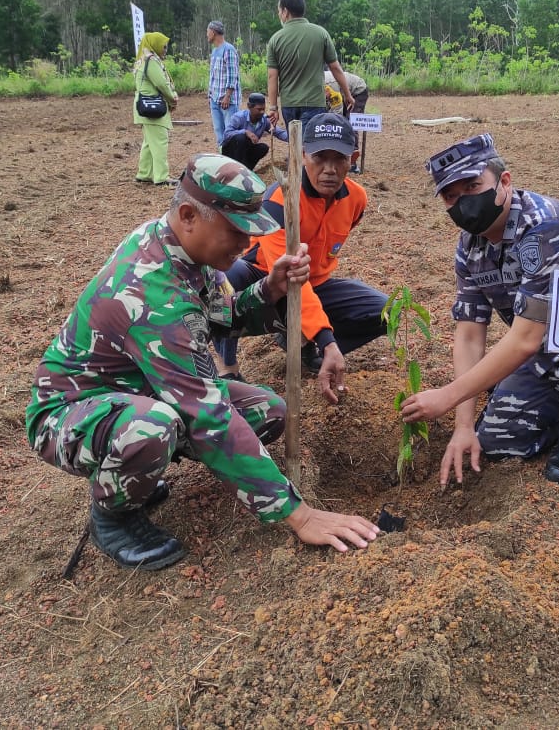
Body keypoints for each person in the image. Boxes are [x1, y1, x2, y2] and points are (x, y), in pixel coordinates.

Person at [26, 153, 380, 571]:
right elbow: (208, 413)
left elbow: (221, 316)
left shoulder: (184, 251)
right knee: (151, 427)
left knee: (269, 411)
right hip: (72, 411)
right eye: (236, 231)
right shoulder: (152, 290)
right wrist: (298, 514)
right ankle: (113, 514)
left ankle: (142, 465)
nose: (247, 244)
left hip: (145, 389)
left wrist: (270, 288)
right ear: (190, 215)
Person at [398, 134, 559, 487]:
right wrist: (463, 425)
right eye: (451, 196)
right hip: (552, 341)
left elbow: (524, 339)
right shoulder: (470, 250)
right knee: (498, 441)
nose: (464, 203)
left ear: (504, 181)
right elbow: (470, 334)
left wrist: (447, 396)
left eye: (473, 186)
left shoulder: (545, 228)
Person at [214, 113, 387, 402]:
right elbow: (290, 273)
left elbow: (314, 272)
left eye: (339, 158)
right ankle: (227, 367)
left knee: (386, 311)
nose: (329, 169)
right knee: (227, 281)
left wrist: (324, 340)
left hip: (316, 284)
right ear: (304, 155)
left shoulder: (357, 198)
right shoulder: (279, 200)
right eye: (320, 157)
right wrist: (327, 338)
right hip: (267, 280)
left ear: (353, 158)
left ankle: (304, 344)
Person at [266, 0, 353, 130]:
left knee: (295, 144)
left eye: (279, 10)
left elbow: (272, 76)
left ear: (285, 11)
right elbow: (335, 68)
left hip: (289, 104)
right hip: (315, 103)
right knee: (311, 145)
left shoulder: (276, 39)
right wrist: (348, 95)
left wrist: (273, 107)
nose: (278, 14)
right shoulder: (321, 33)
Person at [133, 32, 179, 187]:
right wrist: (172, 98)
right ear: (155, 45)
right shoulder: (152, 61)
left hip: (143, 105)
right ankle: (161, 177)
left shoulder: (142, 60)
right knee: (160, 141)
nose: (165, 49)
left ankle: (144, 173)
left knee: (149, 142)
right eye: (163, 46)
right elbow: (161, 84)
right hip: (153, 107)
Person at [221, 92, 287, 170]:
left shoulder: (264, 120)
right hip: (231, 152)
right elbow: (226, 134)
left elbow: (280, 133)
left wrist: (297, 139)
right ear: (249, 106)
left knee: (263, 148)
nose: (262, 112)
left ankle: (247, 170)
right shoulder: (239, 117)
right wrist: (245, 132)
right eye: (259, 109)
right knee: (241, 138)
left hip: (246, 151)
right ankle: (235, 170)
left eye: (263, 109)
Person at [207, 20, 241, 148]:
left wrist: (227, 96)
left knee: (230, 134)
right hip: (215, 99)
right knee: (219, 134)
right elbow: (213, 76)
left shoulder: (229, 50)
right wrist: (210, 95)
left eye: (208, 31)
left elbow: (233, 75)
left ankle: (233, 163)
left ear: (214, 32)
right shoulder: (215, 51)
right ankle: (223, 162)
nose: (207, 34)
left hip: (228, 101)